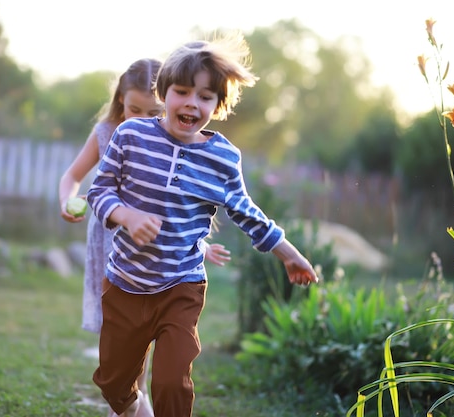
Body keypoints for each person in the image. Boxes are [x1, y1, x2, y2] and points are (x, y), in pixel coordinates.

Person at [86, 32, 319, 417]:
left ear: (219, 104)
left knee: (171, 380)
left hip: (181, 285)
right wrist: (125, 215)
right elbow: (99, 190)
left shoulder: (222, 159)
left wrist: (288, 253)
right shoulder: (131, 135)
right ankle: (130, 408)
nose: (192, 103)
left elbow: (246, 211)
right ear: (164, 92)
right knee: (113, 382)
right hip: (125, 282)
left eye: (205, 97)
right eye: (182, 91)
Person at [58, 58, 231, 417]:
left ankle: (133, 407)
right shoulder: (107, 133)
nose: (138, 118)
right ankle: (126, 402)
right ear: (119, 100)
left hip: (154, 259)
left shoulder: (173, 141)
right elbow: (72, 176)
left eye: (149, 111)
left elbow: (180, 206)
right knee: (118, 338)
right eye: (131, 108)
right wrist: (66, 200)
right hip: (109, 244)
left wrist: (201, 244)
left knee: (148, 340)